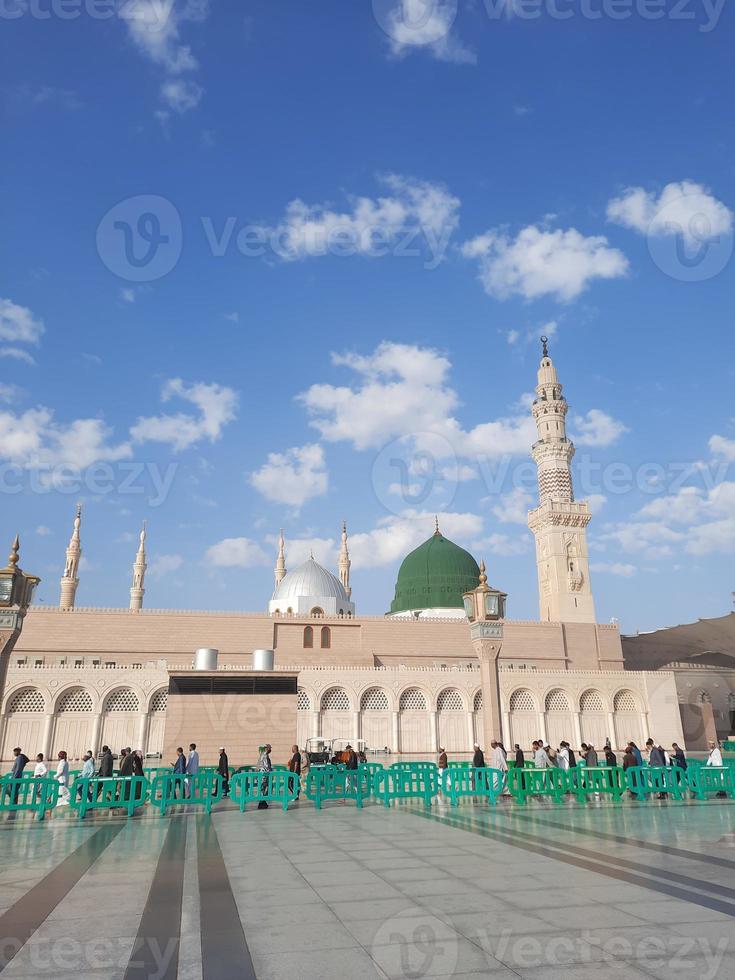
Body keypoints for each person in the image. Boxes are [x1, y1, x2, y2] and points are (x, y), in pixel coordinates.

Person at [257, 744, 272, 809]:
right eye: (269, 748)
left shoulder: (262, 754)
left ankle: (263, 802)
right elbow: (266, 766)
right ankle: (261, 802)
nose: (270, 750)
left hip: (261, 774)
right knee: (263, 788)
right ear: (267, 748)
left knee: (262, 788)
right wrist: (270, 772)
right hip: (264, 775)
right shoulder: (265, 755)